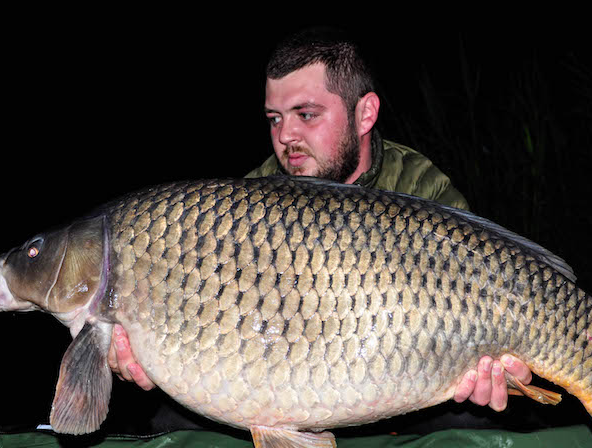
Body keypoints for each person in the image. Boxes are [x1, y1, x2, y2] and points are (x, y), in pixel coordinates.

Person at [108, 28, 534, 415]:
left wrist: (494, 373)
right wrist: (154, 353)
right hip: (290, 386)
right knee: (173, 424)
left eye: (306, 114)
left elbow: (493, 289)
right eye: (275, 118)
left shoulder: (421, 189)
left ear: (364, 114)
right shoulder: (245, 205)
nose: (286, 135)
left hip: (405, 398)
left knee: (470, 422)